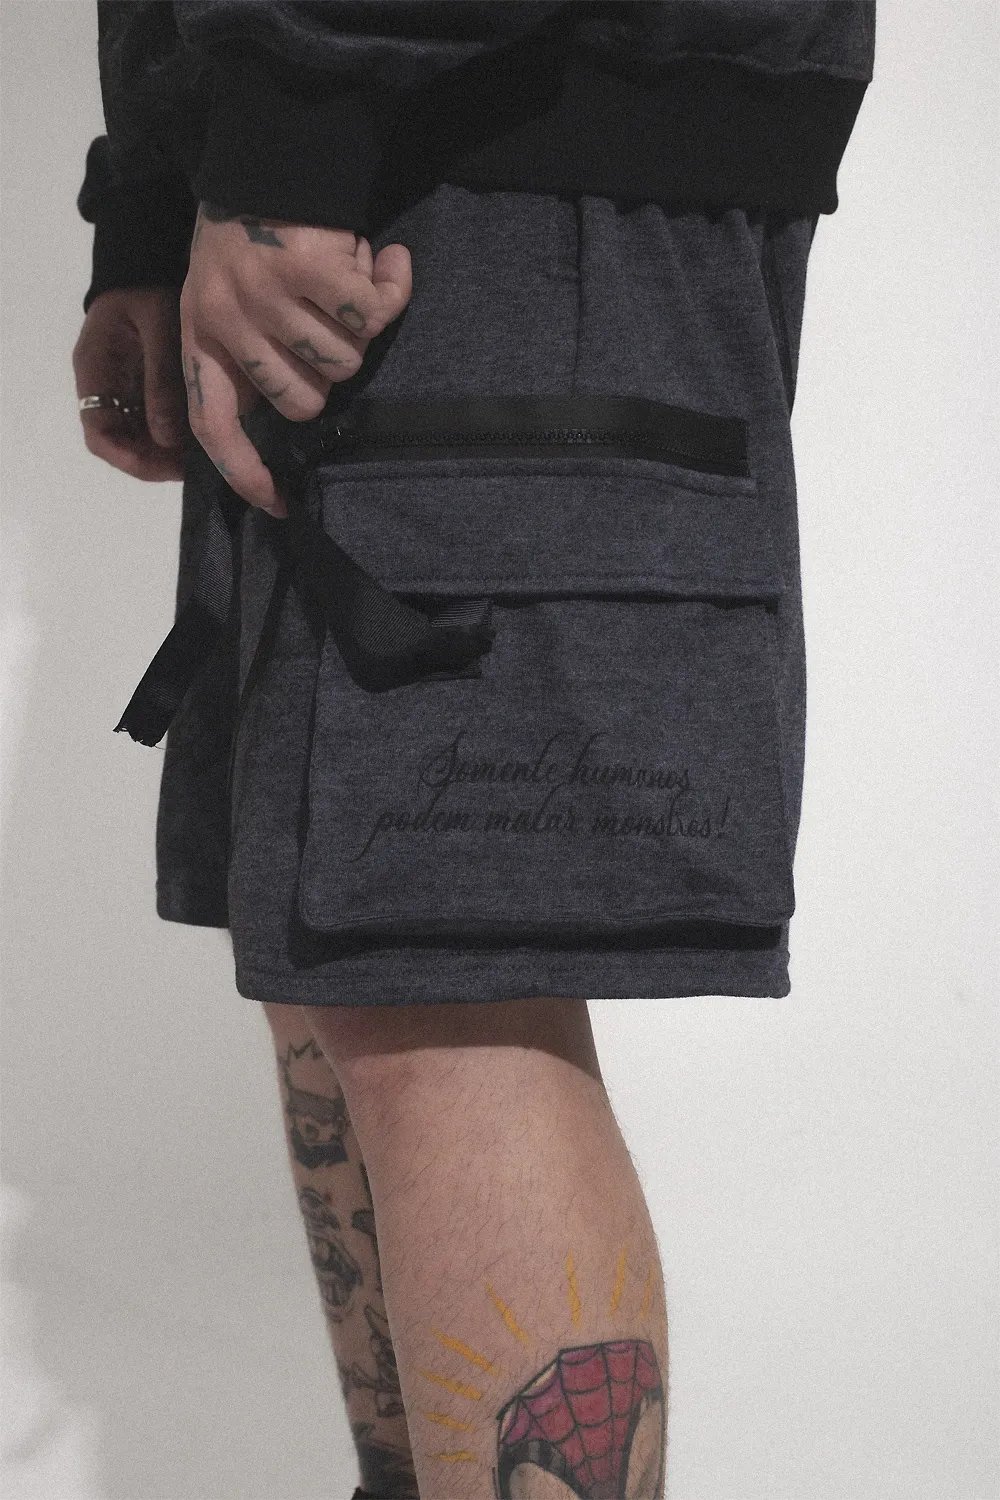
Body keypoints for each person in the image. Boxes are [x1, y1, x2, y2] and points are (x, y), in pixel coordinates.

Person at [72, 5, 876, 1497]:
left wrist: (291, 142)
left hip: (473, 120)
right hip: (365, 137)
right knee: (345, 975)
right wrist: (163, 191)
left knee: (446, 998)